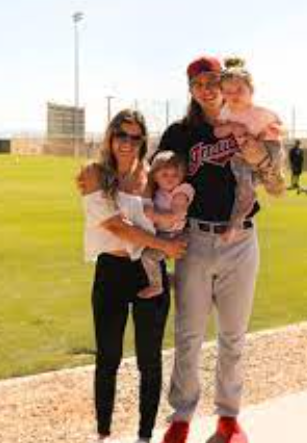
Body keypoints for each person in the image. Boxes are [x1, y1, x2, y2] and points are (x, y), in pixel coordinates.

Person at [155, 56, 285, 443]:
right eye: (199, 84)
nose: (208, 89)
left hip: (241, 239)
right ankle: (181, 417)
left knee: (233, 335)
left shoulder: (252, 124)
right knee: (188, 334)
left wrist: (261, 156)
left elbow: (278, 186)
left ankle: (228, 417)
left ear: (225, 83)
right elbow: (155, 185)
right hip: (193, 239)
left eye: (213, 81)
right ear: (191, 91)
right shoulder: (179, 134)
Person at [77, 109, 186, 443]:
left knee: (149, 361)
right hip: (111, 272)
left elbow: (178, 200)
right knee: (108, 357)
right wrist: (161, 244)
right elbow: (113, 225)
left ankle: (144, 436)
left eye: (134, 137)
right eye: (121, 135)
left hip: (147, 271)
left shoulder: (152, 177)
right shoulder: (93, 173)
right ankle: (104, 434)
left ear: (143, 142)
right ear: (110, 136)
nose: (126, 143)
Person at [214, 56, 284, 241]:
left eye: (239, 90)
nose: (234, 95)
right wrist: (230, 127)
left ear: (251, 91)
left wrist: (269, 134)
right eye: (227, 92)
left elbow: (279, 128)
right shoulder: (225, 112)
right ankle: (235, 225)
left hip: (264, 149)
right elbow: (218, 132)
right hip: (240, 157)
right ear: (222, 94)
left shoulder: (261, 112)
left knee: (274, 147)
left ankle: (272, 175)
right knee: (244, 190)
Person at [139, 150, 195, 298]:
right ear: (155, 176)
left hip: (175, 235)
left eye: (175, 175)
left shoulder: (181, 191)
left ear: (182, 176)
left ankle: (156, 286)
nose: (170, 179)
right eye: (164, 175)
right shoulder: (159, 192)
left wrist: (154, 216)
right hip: (164, 234)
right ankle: (171, 279)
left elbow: (176, 216)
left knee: (148, 256)